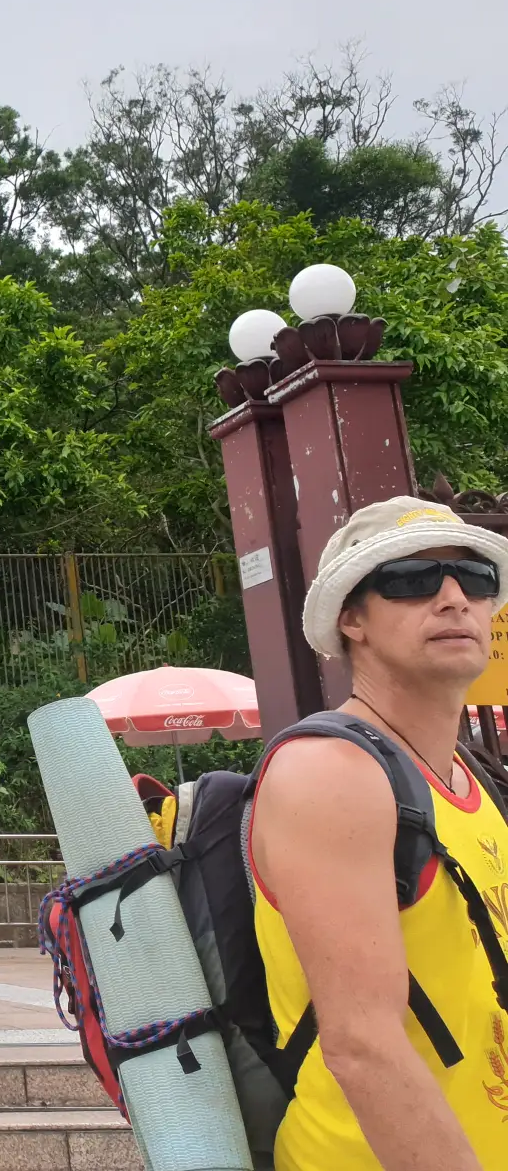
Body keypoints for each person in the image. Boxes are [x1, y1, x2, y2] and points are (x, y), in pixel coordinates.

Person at [250, 497, 508, 1171]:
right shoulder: (332, 772)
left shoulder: (471, 783)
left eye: (476, 579)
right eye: (411, 578)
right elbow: (363, 1044)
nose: (454, 597)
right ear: (351, 618)